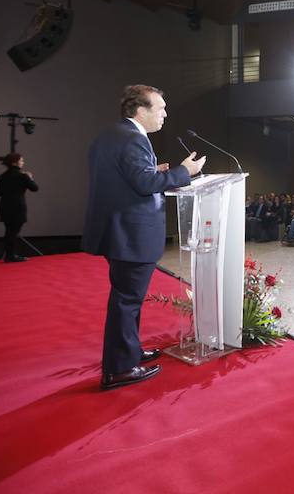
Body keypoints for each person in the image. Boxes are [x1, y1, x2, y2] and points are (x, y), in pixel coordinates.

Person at [83, 84, 205, 390]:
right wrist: (183, 171)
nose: (165, 114)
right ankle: (120, 369)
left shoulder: (111, 135)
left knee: (127, 298)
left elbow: (125, 178)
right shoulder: (134, 139)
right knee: (127, 301)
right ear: (141, 110)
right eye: (160, 108)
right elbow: (144, 184)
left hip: (118, 231)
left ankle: (130, 351)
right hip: (131, 233)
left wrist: (154, 171)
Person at [0, 153, 39, 263]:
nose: (23, 162)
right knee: (13, 232)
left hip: (5, 206)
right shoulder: (23, 176)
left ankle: (9, 255)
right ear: (15, 162)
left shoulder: (2, 176)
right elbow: (35, 188)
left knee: (9, 231)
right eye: (21, 160)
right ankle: (10, 256)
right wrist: (30, 178)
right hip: (17, 206)